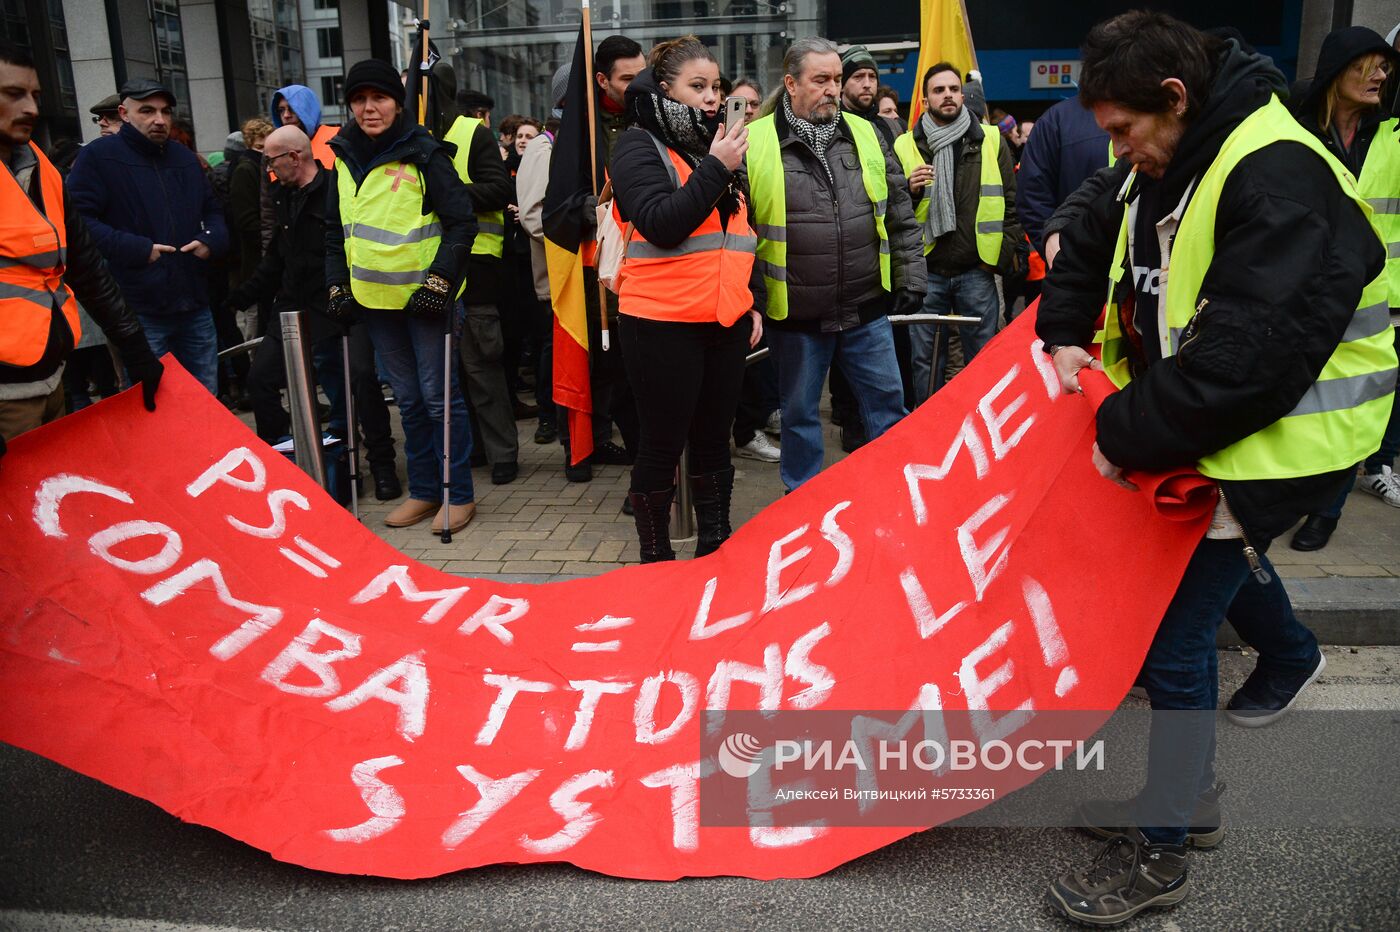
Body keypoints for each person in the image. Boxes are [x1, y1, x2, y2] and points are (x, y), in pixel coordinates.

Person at [1035, 13, 1391, 924]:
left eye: (1124, 131)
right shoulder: (1180, 149)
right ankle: (1185, 799)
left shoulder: (1275, 172)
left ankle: (1167, 848)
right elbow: (1092, 221)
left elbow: (1244, 368)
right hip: (1210, 433)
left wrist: (1117, 430)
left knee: (1173, 640)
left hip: (1271, 450)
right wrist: (1065, 331)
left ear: (1176, 99)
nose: (1119, 150)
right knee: (1185, 613)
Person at [746, 37, 925, 492]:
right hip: (797, 314)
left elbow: (899, 211)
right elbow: (741, 230)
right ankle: (801, 504)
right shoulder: (755, 142)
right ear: (791, 83)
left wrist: (909, 274)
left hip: (865, 307)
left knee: (888, 405)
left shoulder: (866, 132)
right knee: (801, 416)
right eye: (820, 80)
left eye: (836, 80)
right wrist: (753, 298)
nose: (832, 89)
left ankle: (896, 496)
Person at [610, 36, 763, 562]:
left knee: (715, 441)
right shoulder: (637, 144)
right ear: (665, 89)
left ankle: (715, 549)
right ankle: (656, 560)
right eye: (697, 86)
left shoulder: (717, 146)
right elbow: (661, 223)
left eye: (716, 86)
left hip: (725, 321)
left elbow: (740, 236)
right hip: (660, 324)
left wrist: (751, 302)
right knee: (660, 444)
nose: (711, 97)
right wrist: (716, 167)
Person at [326, 59, 477, 534]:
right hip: (374, 302)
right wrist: (336, 283)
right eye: (359, 99)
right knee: (409, 401)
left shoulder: (425, 152)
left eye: (380, 98)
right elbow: (335, 230)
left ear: (398, 102)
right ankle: (426, 491)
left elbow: (462, 223)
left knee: (437, 399)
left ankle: (458, 495)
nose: (369, 108)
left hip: (426, 300)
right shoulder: (343, 155)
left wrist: (440, 282)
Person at [0, 42, 162, 454]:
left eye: (35, 95)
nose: (32, 108)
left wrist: (135, 348)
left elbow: (87, 267)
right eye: (13, 94)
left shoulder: (40, 167)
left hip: (50, 377)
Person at [1288, 27, 1400, 549]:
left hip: (1377, 301)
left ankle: (1325, 512)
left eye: (1386, 66)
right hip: (1301, 291)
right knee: (1298, 402)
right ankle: (1292, 495)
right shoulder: (1295, 128)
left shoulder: (1394, 137)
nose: (1382, 74)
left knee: (1350, 410)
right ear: (1340, 69)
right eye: (1371, 64)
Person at [68, 77, 228, 395]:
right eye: (147, 111)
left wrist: (211, 240)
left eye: (165, 112)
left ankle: (198, 448)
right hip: (139, 308)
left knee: (205, 402)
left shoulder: (184, 158)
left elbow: (213, 211)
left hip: (193, 303)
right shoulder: (98, 157)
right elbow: (78, 222)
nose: (159, 119)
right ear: (124, 113)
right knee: (151, 404)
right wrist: (138, 249)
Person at [894, 62, 1024, 404]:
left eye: (953, 89)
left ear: (962, 95)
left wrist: (993, 262)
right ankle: (928, 432)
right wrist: (910, 190)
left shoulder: (991, 139)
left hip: (976, 270)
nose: (948, 95)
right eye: (939, 90)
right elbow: (892, 211)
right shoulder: (905, 145)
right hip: (927, 272)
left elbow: (1011, 204)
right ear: (925, 101)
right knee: (924, 362)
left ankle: (979, 428)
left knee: (983, 359)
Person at [438, 65, 521, 485]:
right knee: (451, 373)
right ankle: (474, 449)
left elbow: (500, 189)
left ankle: (503, 452)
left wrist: (444, 194)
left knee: (481, 368)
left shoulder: (473, 132)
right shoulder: (408, 136)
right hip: (427, 270)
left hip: (476, 268)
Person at [517, 73, 568, 448]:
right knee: (552, 350)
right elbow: (534, 215)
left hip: (572, 274)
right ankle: (548, 418)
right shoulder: (543, 147)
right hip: (554, 275)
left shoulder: (568, 142)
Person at [1016, 93, 1110, 259]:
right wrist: (1058, 251)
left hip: (1078, 259)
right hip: (1079, 257)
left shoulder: (1054, 119)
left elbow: (1031, 199)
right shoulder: (1055, 121)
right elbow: (1032, 198)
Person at [270, 84, 338, 167]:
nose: (286, 115)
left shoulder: (338, 139)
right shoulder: (273, 150)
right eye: (281, 110)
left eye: (293, 109)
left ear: (308, 110)